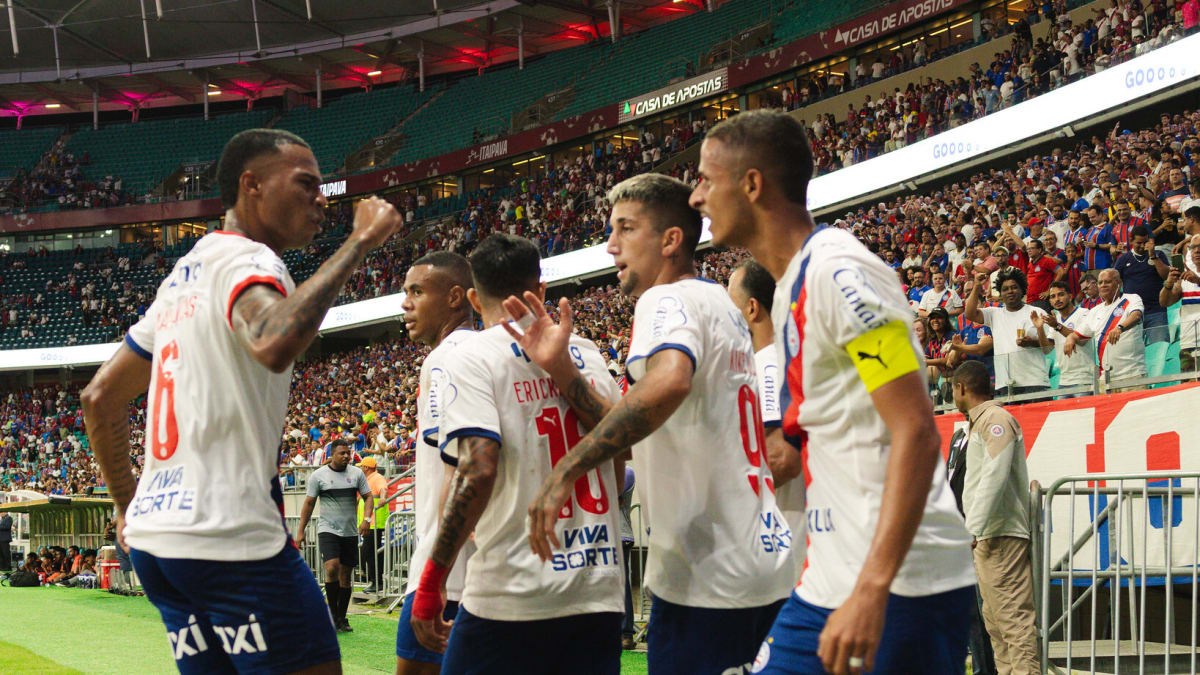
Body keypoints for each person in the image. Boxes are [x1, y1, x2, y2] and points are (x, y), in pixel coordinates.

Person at [81, 128, 400, 674]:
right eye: (305, 184)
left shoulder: (184, 276)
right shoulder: (249, 260)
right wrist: (360, 243)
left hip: (160, 543)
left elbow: (99, 397)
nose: (321, 199)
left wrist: (126, 504)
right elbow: (273, 341)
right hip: (228, 536)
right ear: (251, 185)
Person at [690, 109, 974, 674]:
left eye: (704, 178)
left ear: (751, 184)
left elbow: (914, 426)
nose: (695, 196)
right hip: (827, 577)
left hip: (899, 584)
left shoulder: (842, 275)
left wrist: (872, 589)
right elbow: (800, 449)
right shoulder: (796, 281)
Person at [512, 174, 794, 674]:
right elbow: (637, 421)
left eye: (625, 229)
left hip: (708, 574)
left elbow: (668, 384)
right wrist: (562, 369)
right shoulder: (722, 308)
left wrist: (567, 470)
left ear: (670, 240)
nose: (610, 245)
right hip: (762, 557)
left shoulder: (663, 300)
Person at [409, 234, 625, 673]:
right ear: (540, 289)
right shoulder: (585, 354)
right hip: (596, 588)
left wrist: (433, 580)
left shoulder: (471, 357)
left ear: (472, 296)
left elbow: (478, 467)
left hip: (512, 592)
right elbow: (618, 459)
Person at [394, 250, 476, 675]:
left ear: (455, 297)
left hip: (448, 573)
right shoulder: (484, 351)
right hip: (479, 576)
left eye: (417, 291)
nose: (404, 303)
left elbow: (465, 468)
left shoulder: (444, 360)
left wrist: (433, 576)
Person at [951, 361, 1040, 675]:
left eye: (953, 387)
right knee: (997, 626)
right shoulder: (980, 422)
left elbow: (995, 476)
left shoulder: (996, 419)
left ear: (962, 388)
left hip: (1000, 534)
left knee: (1014, 622)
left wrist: (972, 528)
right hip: (989, 537)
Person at [728, 259, 806, 582]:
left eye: (729, 302)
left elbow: (783, 460)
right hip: (782, 541)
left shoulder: (768, 367)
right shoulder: (779, 362)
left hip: (783, 543)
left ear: (751, 308)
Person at [297, 439, 374, 633]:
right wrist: (300, 530)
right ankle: (331, 616)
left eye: (348, 453)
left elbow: (369, 496)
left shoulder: (356, 474)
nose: (347, 456)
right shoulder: (318, 476)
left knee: (346, 576)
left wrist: (366, 519)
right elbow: (309, 503)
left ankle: (341, 617)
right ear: (332, 455)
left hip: (349, 531)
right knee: (332, 568)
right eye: (342, 453)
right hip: (328, 529)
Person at [964, 268, 1052, 398]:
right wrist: (977, 285)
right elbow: (970, 314)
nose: (1010, 291)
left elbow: (1048, 348)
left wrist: (1031, 343)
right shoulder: (994, 314)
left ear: (1022, 289)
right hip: (1005, 385)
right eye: (1005, 289)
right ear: (1000, 294)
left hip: (1035, 382)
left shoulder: (1038, 312)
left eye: (1014, 287)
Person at [1064, 269, 1147, 385]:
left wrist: (1120, 328)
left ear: (1119, 283)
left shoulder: (1131, 298)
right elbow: (1077, 334)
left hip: (1133, 374)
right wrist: (1070, 338)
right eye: (1100, 283)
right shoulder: (1095, 311)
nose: (1103, 285)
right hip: (1106, 378)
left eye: (1107, 282)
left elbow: (1136, 315)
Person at [1112, 226, 1170, 349]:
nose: (1142, 245)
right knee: (1133, 351)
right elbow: (1114, 283)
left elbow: (1166, 276)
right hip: (1132, 314)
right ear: (1131, 241)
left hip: (1156, 311)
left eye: (1145, 242)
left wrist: (1153, 256)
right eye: (1139, 242)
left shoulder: (1158, 254)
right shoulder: (1123, 259)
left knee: (1160, 348)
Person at [1040, 281, 1096, 393]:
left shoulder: (1085, 313)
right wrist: (1039, 328)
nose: (1057, 299)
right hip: (1064, 381)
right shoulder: (1055, 319)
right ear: (1050, 301)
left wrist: (1057, 326)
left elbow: (1081, 341)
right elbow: (1047, 350)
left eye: (1061, 294)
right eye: (1053, 296)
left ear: (1070, 297)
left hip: (1084, 378)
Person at [1160, 234, 1200, 371]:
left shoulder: (1193, 278)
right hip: (1189, 343)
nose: (1197, 251)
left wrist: (1198, 281)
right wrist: (1169, 284)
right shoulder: (1184, 278)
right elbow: (1164, 302)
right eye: (1193, 247)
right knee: (1188, 390)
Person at [356, 456, 388, 594]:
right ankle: (375, 581)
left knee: (368, 552)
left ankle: (377, 582)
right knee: (370, 553)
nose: (360, 469)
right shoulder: (368, 480)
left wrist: (383, 498)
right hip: (369, 522)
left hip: (375, 522)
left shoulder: (377, 477)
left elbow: (383, 489)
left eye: (361, 466)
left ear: (366, 468)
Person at [618, 465, 638, 651]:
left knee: (622, 586)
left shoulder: (627, 471)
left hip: (620, 535)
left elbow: (613, 490)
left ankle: (626, 633)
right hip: (599, 536)